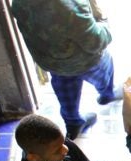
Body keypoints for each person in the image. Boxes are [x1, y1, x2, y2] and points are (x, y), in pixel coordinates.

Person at [11, 0, 122, 140]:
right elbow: (94, 42)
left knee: (66, 96)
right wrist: (105, 25)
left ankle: (73, 122)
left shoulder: (18, 3)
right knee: (104, 69)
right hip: (84, 61)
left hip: (52, 62)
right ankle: (107, 94)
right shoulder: (69, 4)